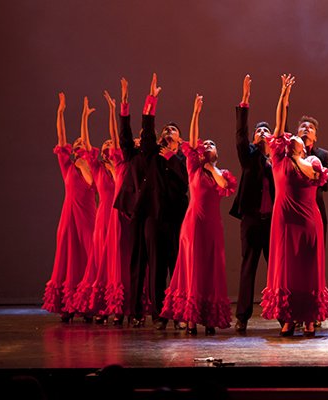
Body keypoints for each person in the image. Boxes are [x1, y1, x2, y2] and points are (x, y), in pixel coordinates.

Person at [260, 74, 328, 337]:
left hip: (308, 222)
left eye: (297, 140)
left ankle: (310, 320)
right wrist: (283, 97)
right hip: (284, 222)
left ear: (305, 147)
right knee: (286, 270)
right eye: (290, 139)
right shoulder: (279, 159)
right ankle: (289, 318)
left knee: (307, 270)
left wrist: (298, 155)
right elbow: (279, 127)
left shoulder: (313, 163)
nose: (292, 139)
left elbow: (317, 176)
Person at [113, 73, 188, 328]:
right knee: (138, 262)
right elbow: (132, 135)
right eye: (165, 129)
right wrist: (144, 102)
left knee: (161, 264)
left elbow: (182, 189)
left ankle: (161, 312)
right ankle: (136, 311)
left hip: (167, 217)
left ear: (179, 139)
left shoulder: (179, 160)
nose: (167, 131)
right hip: (141, 212)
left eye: (173, 129)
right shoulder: (149, 152)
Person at [160, 94, 237, 335]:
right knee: (193, 268)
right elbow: (192, 141)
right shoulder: (193, 166)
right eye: (205, 145)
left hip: (212, 227)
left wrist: (210, 166)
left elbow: (225, 186)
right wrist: (195, 114)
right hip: (192, 224)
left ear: (217, 152)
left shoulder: (220, 172)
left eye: (212, 145)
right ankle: (191, 319)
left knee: (211, 269)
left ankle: (209, 318)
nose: (207, 146)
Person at [43, 93, 97, 322]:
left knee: (88, 258)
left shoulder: (90, 165)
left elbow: (92, 183)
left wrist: (85, 118)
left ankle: (86, 304)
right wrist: (61, 112)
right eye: (75, 145)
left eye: (81, 144)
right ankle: (67, 304)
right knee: (67, 257)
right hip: (69, 216)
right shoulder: (67, 165)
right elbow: (61, 136)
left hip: (88, 217)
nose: (76, 145)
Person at [229, 75, 275, 333]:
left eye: (265, 131)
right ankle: (243, 316)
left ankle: (281, 312)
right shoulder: (248, 156)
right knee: (248, 266)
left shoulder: (277, 159)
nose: (261, 134)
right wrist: (244, 102)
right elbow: (239, 136)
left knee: (275, 269)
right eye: (258, 131)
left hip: (272, 221)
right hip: (251, 219)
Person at [70, 96, 117, 322]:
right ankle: (99, 306)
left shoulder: (119, 168)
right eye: (105, 143)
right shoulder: (96, 167)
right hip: (103, 218)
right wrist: (84, 118)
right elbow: (87, 144)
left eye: (111, 143)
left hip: (119, 218)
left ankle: (116, 306)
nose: (107, 145)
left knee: (116, 262)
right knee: (100, 261)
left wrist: (113, 112)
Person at [100, 85, 135, 325]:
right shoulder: (120, 162)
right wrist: (116, 107)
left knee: (132, 259)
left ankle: (134, 306)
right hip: (119, 213)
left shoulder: (138, 163)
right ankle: (117, 306)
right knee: (118, 258)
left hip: (134, 212)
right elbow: (116, 136)